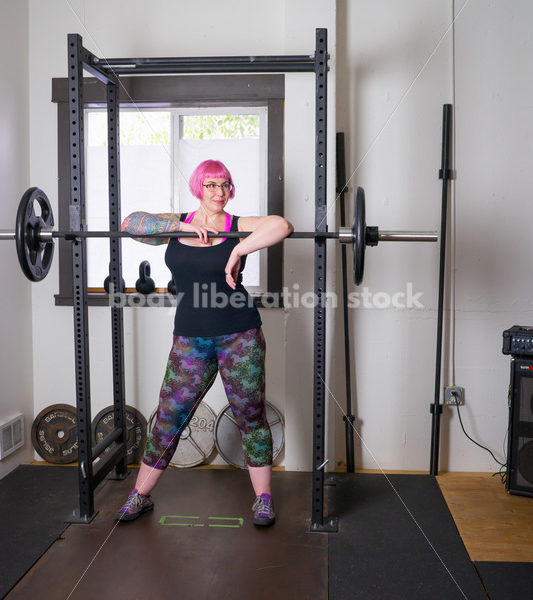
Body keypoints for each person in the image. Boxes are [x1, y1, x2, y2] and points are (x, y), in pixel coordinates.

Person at [115, 159, 293, 526]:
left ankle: (263, 499)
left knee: (250, 416)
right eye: (211, 185)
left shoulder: (237, 227)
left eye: (225, 185)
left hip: (240, 335)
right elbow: (130, 223)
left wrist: (239, 250)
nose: (219, 192)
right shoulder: (174, 225)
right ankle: (139, 496)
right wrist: (183, 225)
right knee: (169, 417)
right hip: (190, 340)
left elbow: (282, 225)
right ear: (199, 187)